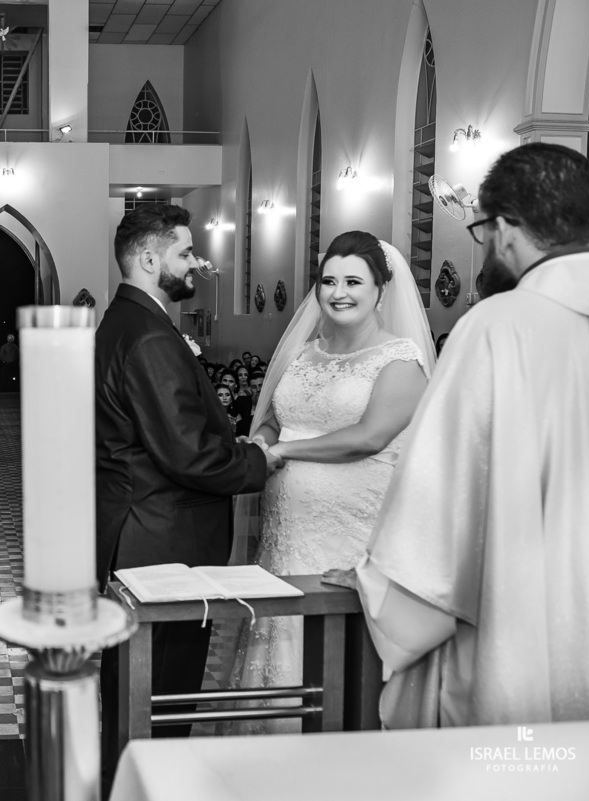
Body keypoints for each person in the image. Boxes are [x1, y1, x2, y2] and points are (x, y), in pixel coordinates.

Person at [349, 143, 589, 728]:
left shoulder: (497, 327)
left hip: (528, 629)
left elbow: (435, 501)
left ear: (508, 228)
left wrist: (385, 587)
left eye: (480, 230)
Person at [226, 230, 434, 733]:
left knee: (333, 653)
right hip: (286, 534)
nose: (338, 292)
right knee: (278, 632)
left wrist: (283, 451)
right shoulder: (304, 353)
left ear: (381, 289)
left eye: (353, 281)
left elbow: (368, 437)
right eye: (328, 280)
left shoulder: (401, 362)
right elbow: (275, 416)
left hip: (347, 535)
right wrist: (261, 441)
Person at [96, 204, 275, 776]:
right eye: (184, 251)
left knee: (137, 698)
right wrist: (258, 460)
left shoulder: (125, 322)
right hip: (160, 543)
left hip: (139, 533)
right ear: (149, 259)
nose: (196, 262)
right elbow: (187, 453)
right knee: (159, 703)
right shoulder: (149, 337)